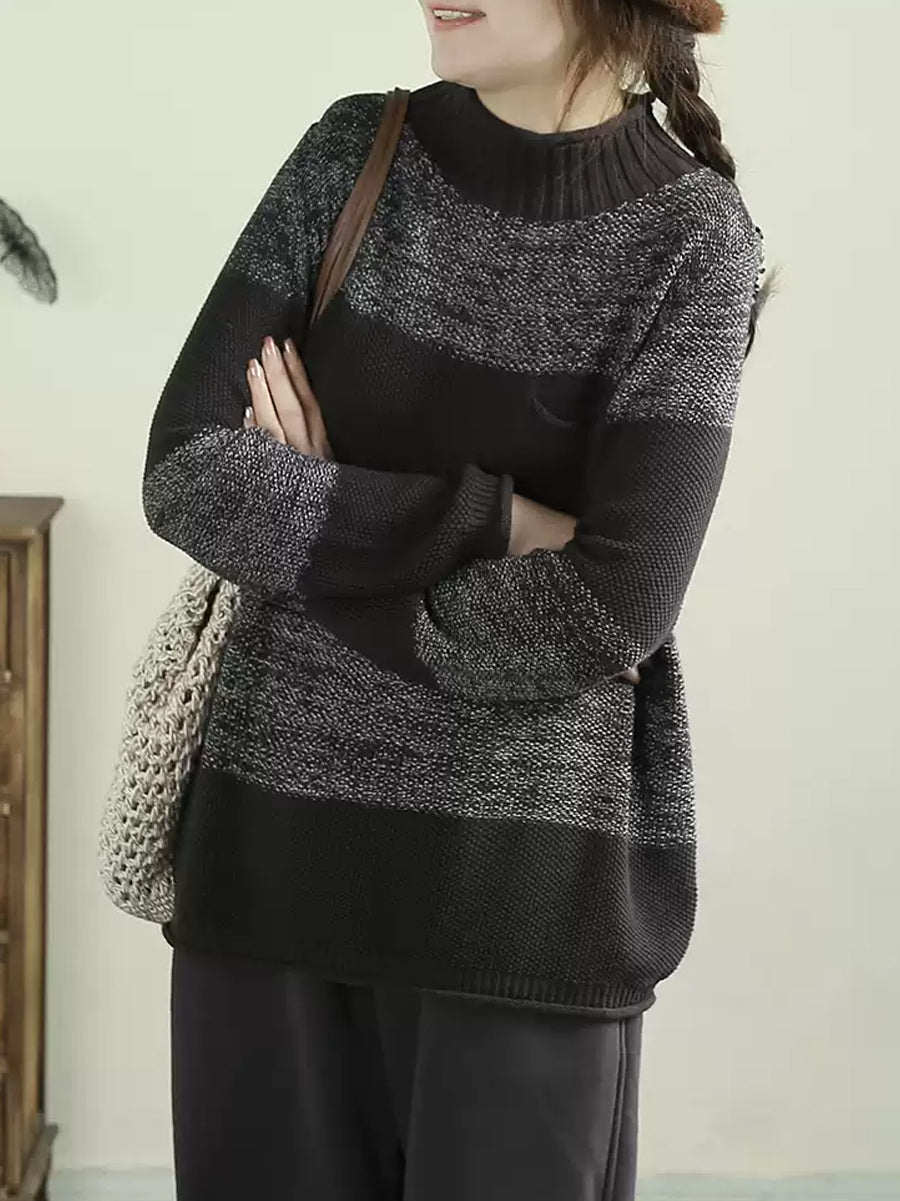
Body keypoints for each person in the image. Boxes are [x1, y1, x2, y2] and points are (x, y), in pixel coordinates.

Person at [143, 0, 766, 1196]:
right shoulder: (353, 153)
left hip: (520, 909)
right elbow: (189, 473)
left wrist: (316, 528)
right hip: (267, 873)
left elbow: (604, 612)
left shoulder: (695, 242)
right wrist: (495, 522)